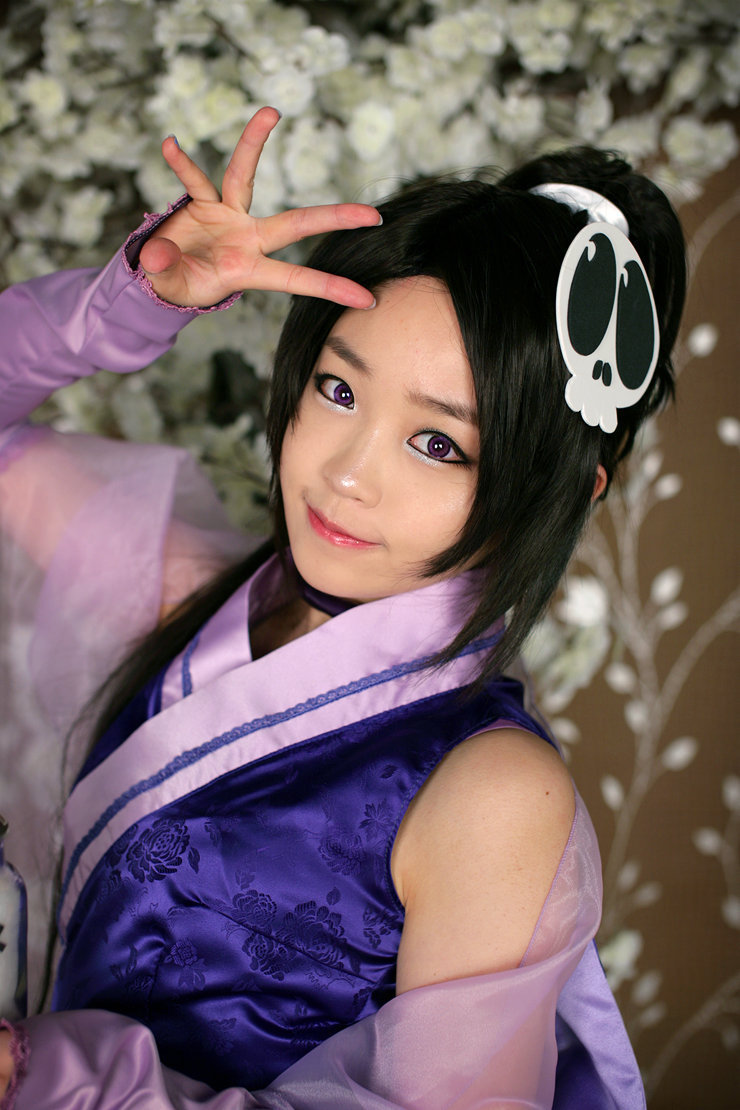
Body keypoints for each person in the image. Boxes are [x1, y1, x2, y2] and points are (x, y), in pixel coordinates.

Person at [0, 107, 685, 1108]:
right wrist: (131, 301)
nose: (348, 476)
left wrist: (45, 1074)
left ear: (559, 491)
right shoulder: (183, 594)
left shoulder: (490, 793)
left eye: (438, 444)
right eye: (337, 389)